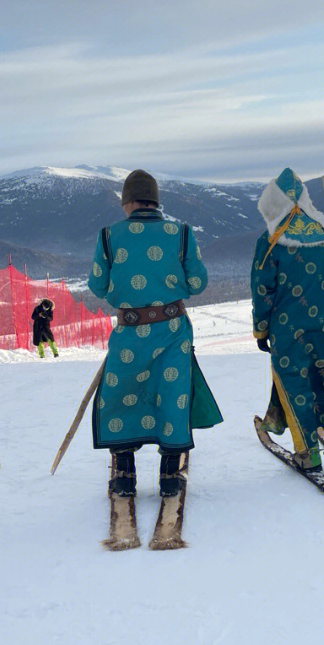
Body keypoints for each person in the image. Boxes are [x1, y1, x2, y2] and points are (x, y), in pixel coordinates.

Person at [87, 170, 222, 497]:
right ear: (156, 200)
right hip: (172, 330)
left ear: (127, 202)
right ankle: (170, 477)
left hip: (129, 333)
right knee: (172, 394)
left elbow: (97, 285)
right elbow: (197, 283)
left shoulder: (108, 236)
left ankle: (123, 476)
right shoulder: (182, 234)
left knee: (120, 396)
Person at [251, 168, 324, 472]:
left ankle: (308, 454)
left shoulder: (270, 240)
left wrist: (261, 330)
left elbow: (262, 290)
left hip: (287, 331)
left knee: (296, 384)